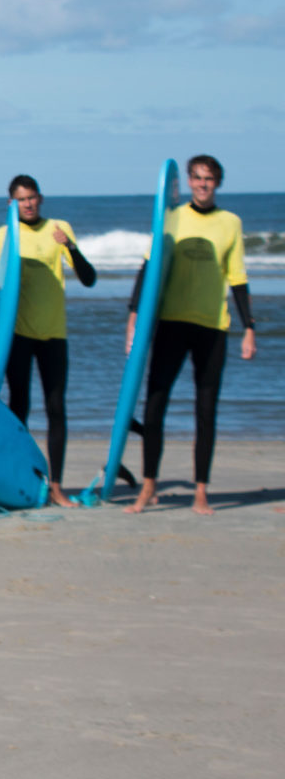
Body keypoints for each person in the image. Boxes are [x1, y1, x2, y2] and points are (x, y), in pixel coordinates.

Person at [127, 154, 256, 517]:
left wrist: (249, 328)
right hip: (171, 323)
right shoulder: (170, 218)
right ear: (186, 181)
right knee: (154, 406)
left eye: (209, 179)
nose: (202, 184)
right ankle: (149, 485)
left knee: (206, 410)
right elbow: (149, 266)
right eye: (197, 178)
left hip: (213, 327)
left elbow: (238, 277)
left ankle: (201, 491)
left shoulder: (231, 222)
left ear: (218, 183)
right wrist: (133, 314)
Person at [0, 174, 96, 508]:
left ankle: (56, 485)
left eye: (32, 198)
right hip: (17, 335)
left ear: (41, 198)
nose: (28, 204)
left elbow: (89, 280)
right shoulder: (2, 237)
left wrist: (69, 246)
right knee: (19, 407)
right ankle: (21, 477)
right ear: (10, 204)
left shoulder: (60, 229)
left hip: (54, 334)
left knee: (56, 407)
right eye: (21, 199)